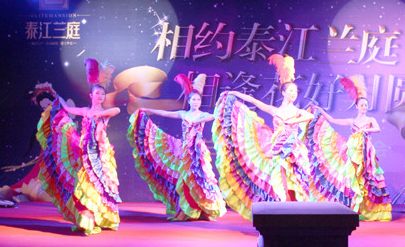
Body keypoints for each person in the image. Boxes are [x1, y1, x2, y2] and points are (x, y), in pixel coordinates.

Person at [213, 54, 337, 220]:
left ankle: (298, 210)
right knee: (280, 179)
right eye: (290, 91)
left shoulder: (297, 111)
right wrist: (234, 93)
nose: (294, 93)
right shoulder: (275, 110)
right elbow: (254, 101)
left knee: (297, 179)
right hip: (278, 151)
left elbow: (309, 116)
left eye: (296, 91)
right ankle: (284, 210)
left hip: (293, 150)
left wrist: (292, 121)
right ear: (283, 92)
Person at [36, 59, 122, 234]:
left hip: (100, 156)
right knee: (85, 185)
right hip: (85, 153)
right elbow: (67, 109)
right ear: (91, 96)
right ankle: (87, 219)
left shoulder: (103, 113)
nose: (100, 96)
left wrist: (99, 115)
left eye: (102, 94)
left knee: (101, 186)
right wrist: (57, 97)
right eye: (97, 93)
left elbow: (116, 110)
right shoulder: (85, 111)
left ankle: (103, 218)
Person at [127, 73, 227, 221]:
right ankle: (186, 210)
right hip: (185, 150)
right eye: (193, 99)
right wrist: (148, 109)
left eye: (198, 100)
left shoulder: (202, 115)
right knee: (186, 179)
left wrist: (222, 107)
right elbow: (165, 113)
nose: (196, 102)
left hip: (197, 151)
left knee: (201, 179)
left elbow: (213, 116)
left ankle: (204, 210)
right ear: (189, 100)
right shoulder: (183, 114)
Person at [306, 75, 392, 221]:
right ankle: (353, 207)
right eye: (362, 105)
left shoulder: (370, 120)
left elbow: (377, 129)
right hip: (353, 151)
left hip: (366, 151)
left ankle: (368, 209)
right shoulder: (352, 121)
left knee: (367, 177)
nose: (364, 107)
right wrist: (321, 111)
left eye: (366, 105)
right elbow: (333, 120)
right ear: (357, 107)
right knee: (353, 177)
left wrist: (366, 130)